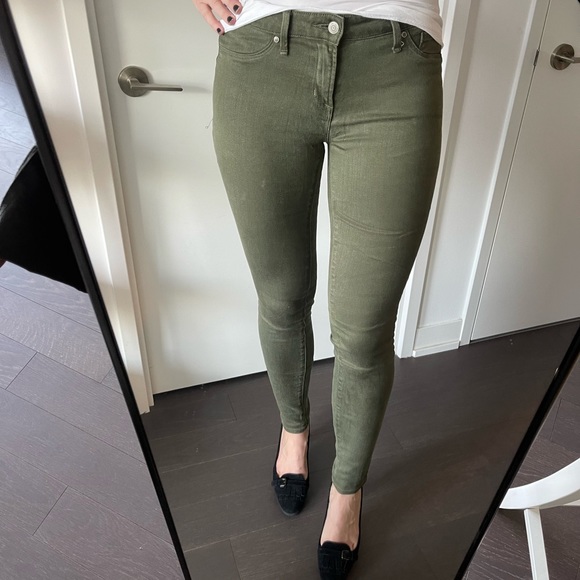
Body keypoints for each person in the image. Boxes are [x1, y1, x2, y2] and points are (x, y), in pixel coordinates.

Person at [193, 1, 443, 577]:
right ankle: (294, 430)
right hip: (260, 53)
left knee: (363, 332)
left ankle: (347, 492)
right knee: (281, 299)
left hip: (395, 56)